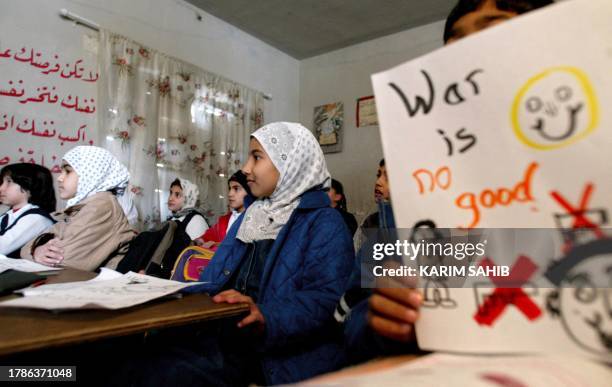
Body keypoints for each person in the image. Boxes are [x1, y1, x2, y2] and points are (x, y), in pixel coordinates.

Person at [340, 0, 555, 360]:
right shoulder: (415, 190)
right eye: (453, 42)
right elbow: (353, 321)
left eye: (495, 29)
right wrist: (382, 316)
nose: (465, 52)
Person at [118, 122, 354, 385]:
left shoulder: (326, 223)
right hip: (224, 337)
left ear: (291, 163)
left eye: (256, 157)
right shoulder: (253, 215)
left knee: (152, 372)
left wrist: (267, 315)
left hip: (273, 356)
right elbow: (213, 281)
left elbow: (327, 300)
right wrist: (161, 286)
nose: (246, 168)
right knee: (128, 355)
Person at [20, 146, 136, 271]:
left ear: (91, 173)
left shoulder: (101, 207)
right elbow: (25, 248)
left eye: (68, 171)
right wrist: (37, 251)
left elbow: (63, 263)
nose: (59, 178)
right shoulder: (80, 208)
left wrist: (36, 251)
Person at [0, 163, 56, 257]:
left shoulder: (36, 218)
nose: (1, 188)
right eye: (2, 182)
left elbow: (2, 247)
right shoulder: (8, 215)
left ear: (30, 186)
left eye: (9, 182)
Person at [196, 170, 251, 246]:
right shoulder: (224, 220)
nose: (230, 194)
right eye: (230, 188)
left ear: (250, 191)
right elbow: (208, 236)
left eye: (236, 188)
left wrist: (216, 245)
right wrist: (200, 241)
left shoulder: (253, 219)